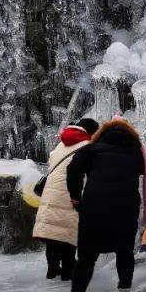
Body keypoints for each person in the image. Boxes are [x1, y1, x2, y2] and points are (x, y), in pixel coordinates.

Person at [64, 116, 146, 292]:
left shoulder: (90, 150)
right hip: (125, 210)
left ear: (102, 135)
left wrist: (75, 197)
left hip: (93, 209)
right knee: (124, 253)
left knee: (86, 259)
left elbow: (72, 171)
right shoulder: (137, 154)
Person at [31, 118, 99, 280]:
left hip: (50, 194)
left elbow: (52, 163)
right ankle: (68, 271)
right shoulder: (86, 147)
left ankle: (52, 268)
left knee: (53, 232)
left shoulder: (61, 145)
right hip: (69, 193)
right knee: (68, 233)